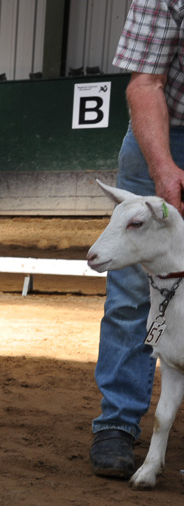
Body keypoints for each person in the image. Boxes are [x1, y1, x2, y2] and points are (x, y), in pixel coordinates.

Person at [91, 1, 184, 478]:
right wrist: (163, 169)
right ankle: (118, 422)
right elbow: (145, 81)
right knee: (133, 289)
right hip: (167, 128)